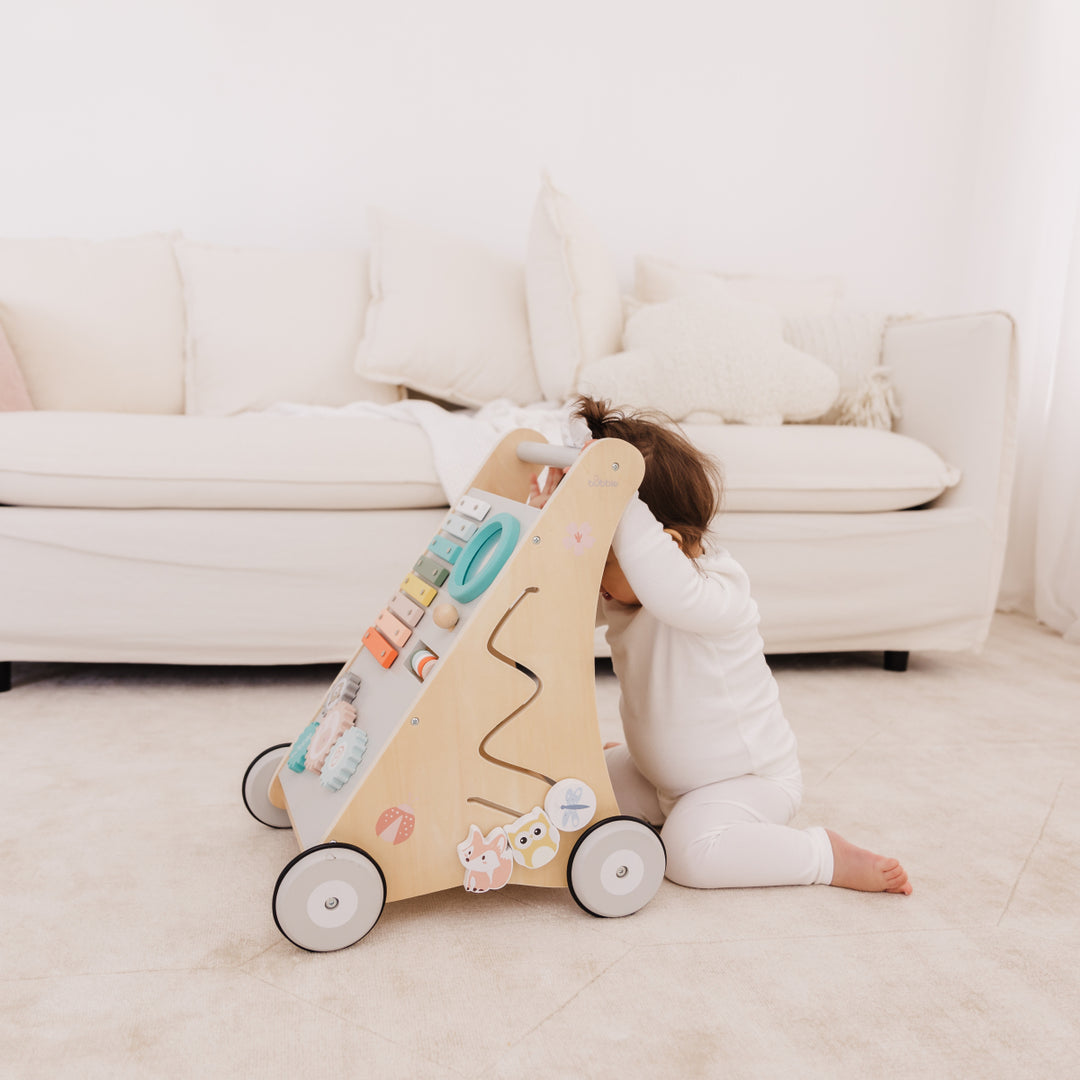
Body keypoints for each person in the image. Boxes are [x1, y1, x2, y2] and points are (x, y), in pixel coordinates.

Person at [530, 396, 912, 895]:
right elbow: (555, 602)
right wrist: (547, 516)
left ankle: (823, 857)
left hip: (745, 781)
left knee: (689, 856)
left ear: (662, 542)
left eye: (604, 561)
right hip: (659, 774)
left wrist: (616, 490)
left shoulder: (713, 589)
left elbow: (664, 583)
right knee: (569, 795)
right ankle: (644, 775)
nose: (595, 580)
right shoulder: (627, 595)